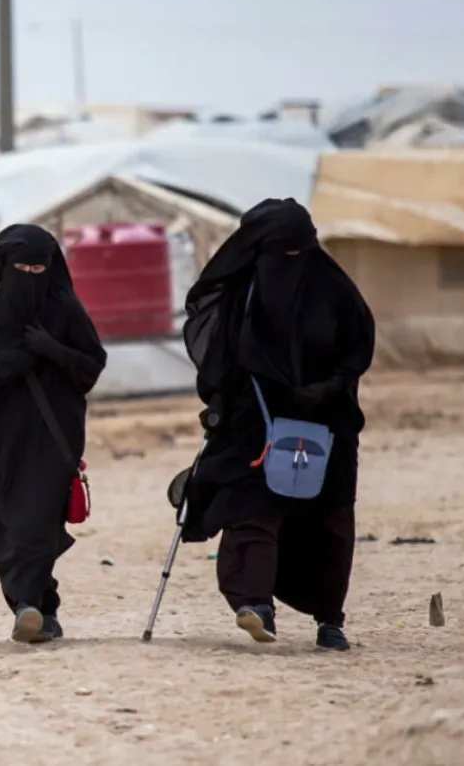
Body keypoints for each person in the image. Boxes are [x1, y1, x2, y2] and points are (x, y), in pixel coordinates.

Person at [179, 198, 375, 650]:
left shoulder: (334, 289)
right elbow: (220, 360)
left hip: (326, 421)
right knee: (251, 506)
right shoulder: (239, 295)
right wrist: (222, 405)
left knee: (328, 520)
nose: (290, 264)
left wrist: (328, 386)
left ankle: (330, 619)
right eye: (279, 255)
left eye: (298, 253)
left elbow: (357, 348)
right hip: (255, 420)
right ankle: (255, 604)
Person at [0, 224, 107, 643]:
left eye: (40, 268)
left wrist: (51, 351)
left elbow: (91, 365)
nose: (31, 276)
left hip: (51, 439)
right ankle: (41, 608)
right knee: (5, 521)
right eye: (23, 267)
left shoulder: (66, 311)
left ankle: (27, 607)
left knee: (36, 521)